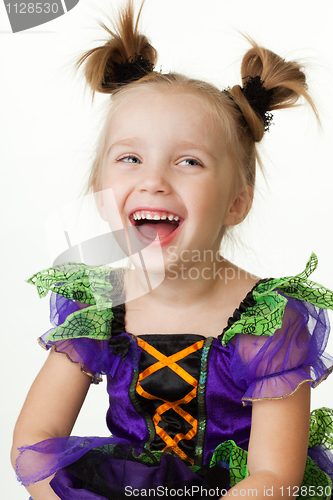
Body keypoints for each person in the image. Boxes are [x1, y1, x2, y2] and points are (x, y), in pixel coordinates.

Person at [11, 1, 333, 499]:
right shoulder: (96, 308)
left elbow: (273, 479)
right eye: (130, 158)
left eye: (188, 161)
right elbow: (34, 439)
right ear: (101, 187)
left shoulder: (268, 322)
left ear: (237, 201)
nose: (154, 181)